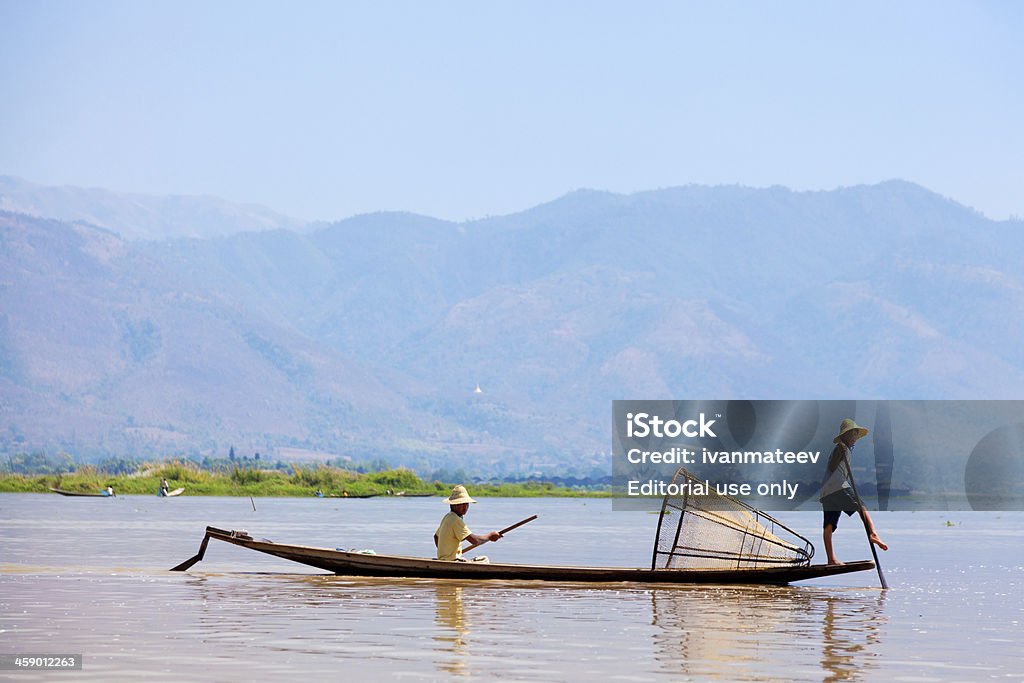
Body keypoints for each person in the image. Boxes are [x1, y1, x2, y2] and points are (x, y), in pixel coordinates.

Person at [820, 418, 889, 564]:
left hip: (827, 490)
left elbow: (836, 470)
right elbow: (832, 466)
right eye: (852, 435)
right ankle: (873, 533)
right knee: (861, 506)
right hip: (837, 487)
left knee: (829, 525)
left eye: (856, 435)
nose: (855, 438)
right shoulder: (841, 448)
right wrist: (840, 454)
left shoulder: (844, 449)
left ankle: (831, 559)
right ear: (845, 435)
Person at [434, 485, 502, 561]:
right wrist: (490, 536)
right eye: (461, 504)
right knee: (485, 560)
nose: (465, 507)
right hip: (451, 561)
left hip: (445, 560)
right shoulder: (455, 520)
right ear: (453, 505)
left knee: (483, 558)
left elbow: (436, 537)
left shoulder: (448, 517)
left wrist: (447, 553)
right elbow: (476, 541)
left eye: (466, 504)